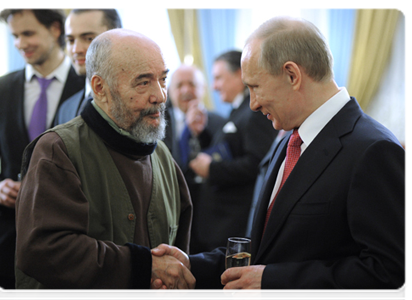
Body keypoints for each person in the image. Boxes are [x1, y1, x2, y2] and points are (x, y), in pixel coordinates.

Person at [153, 16, 408, 300]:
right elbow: (266, 249)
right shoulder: (288, 139)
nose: (252, 103)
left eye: (256, 87)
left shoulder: (374, 150)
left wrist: (275, 283)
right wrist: (190, 266)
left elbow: (392, 274)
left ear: (292, 75)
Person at [15, 28, 195, 300]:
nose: (160, 96)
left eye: (163, 79)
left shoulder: (163, 158)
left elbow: (175, 259)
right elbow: (43, 250)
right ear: (100, 88)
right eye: (143, 82)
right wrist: (143, 267)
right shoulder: (58, 151)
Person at [0, 8, 85, 299]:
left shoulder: (86, 85)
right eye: (15, 36)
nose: (20, 43)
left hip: (69, 241)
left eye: (28, 33)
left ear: (56, 30)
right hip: (7, 244)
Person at [188, 50, 278, 254]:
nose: (214, 86)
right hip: (216, 223)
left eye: (218, 77)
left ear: (239, 74)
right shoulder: (237, 112)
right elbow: (227, 150)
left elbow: (257, 163)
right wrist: (201, 135)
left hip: (231, 224)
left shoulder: (255, 112)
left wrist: (212, 169)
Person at [164, 64, 226, 216]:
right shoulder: (159, 122)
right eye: (179, 86)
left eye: (192, 84)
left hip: (210, 211)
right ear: (170, 92)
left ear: (203, 88)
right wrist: (187, 130)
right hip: (172, 205)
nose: (186, 90)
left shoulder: (220, 123)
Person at [55, 8, 122, 125]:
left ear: (117, 37)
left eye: (89, 38)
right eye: (70, 40)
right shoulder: (66, 109)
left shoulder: (135, 101)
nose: (76, 49)